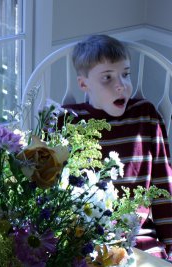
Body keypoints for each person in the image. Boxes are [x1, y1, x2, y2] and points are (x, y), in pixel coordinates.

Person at [60, 34, 172, 260]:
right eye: (107, 78)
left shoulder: (145, 116)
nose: (121, 85)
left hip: (140, 238)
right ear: (84, 84)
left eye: (125, 74)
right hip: (85, 237)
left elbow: (164, 185)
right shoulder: (68, 121)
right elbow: (55, 187)